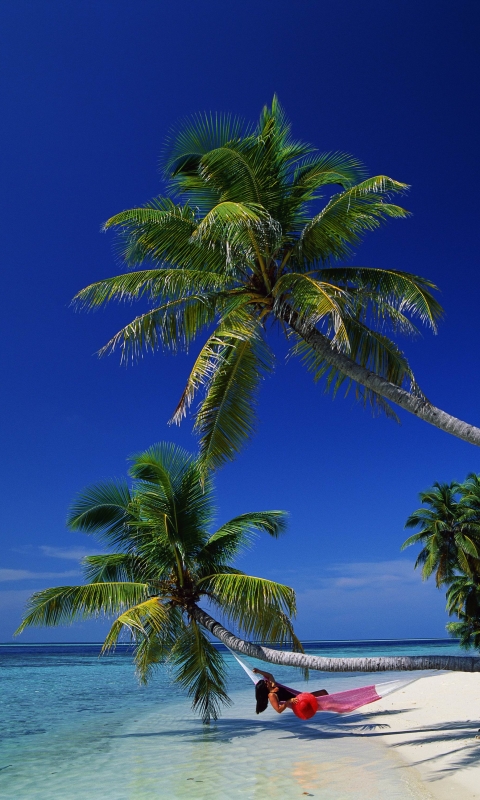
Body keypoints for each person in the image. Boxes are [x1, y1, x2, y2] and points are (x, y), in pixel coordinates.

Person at [252, 667, 328, 714]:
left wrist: (258, 671)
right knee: (323, 694)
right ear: (265, 687)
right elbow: (278, 710)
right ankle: (337, 706)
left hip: (300, 696)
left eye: (265, 681)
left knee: (323, 694)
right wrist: (288, 701)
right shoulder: (271, 695)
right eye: (265, 682)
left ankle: (336, 706)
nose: (266, 680)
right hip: (299, 701)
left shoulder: (273, 685)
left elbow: (269, 675)